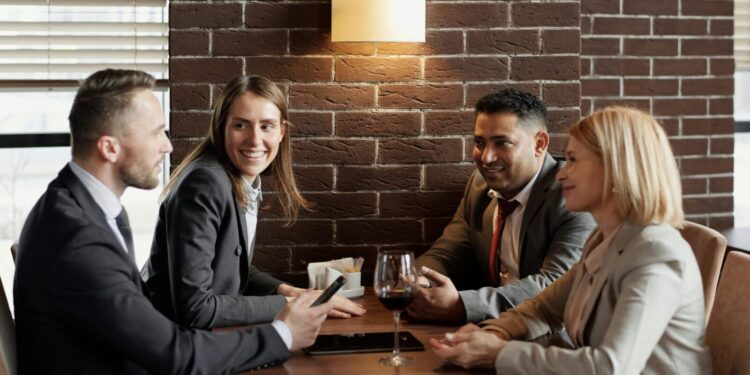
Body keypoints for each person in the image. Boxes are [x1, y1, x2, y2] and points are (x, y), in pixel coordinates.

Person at [14, 69, 333, 374]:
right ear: (110, 147)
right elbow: (175, 354)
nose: (167, 146)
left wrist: (285, 298)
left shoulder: (83, 206)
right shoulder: (79, 239)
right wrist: (283, 334)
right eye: (155, 133)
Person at [430, 107, 712, 374]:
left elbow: (611, 368)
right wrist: (491, 334)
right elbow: (544, 309)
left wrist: (499, 353)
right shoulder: (603, 238)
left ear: (616, 169)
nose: (562, 172)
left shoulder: (655, 253)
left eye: (574, 160)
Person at [140, 75, 364, 329]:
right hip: (170, 345)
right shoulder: (206, 183)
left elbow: (230, 267)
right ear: (220, 128)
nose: (255, 140)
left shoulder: (239, 178)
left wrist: (290, 292)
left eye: (266, 126)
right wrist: (291, 306)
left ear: (282, 132)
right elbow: (195, 309)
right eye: (241, 125)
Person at [409, 89, 595, 323]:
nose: (486, 158)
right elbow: (446, 254)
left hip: (554, 337)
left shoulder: (572, 194)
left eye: (502, 143)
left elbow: (555, 285)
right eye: (479, 143)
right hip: (495, 330)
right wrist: (419, 281)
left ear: (539, 144)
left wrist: (462, 305)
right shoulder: (478, 187)